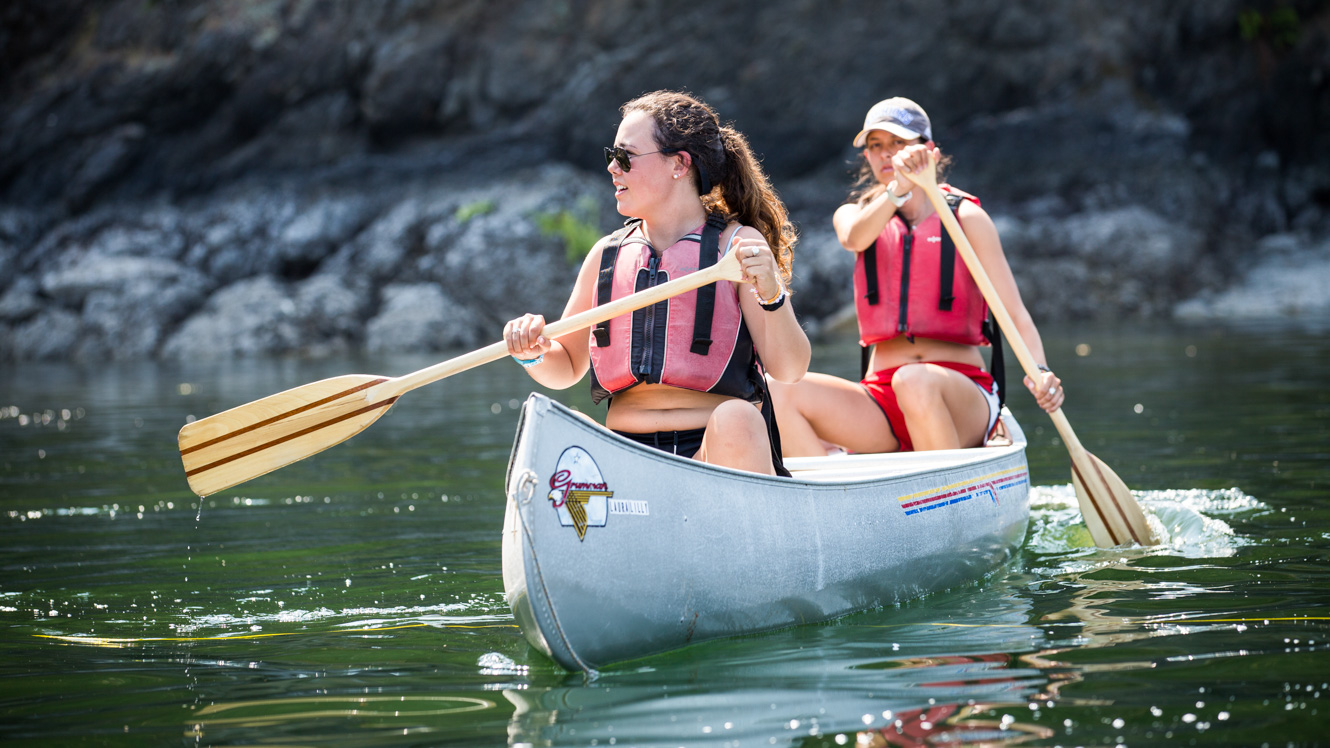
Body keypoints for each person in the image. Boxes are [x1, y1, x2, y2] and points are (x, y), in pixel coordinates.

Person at [503, 90, 810, 475]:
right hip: (627, 454)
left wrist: (771, 293)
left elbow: (791, 369)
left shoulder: (737, 247)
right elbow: (565, 366)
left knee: (737, 418)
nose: (613, 168)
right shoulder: (606, 255)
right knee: (552, 429)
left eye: (625, 157)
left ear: (679, 164)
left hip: (716, 452)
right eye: (611, 157)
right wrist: (531, 351)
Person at [770, 97, 1062, 455]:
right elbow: (854, 238)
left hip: (962, 395)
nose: (886, 155)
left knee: (914, 381)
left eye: (898, 144)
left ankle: (948, 497)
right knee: (777, 391)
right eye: (876, 146)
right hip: (882, 397)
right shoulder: (855, 214)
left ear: (931, 152)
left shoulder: (966, 218)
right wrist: (899, 190)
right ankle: (832, 497)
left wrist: (1041, 370)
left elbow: (1014, 313)